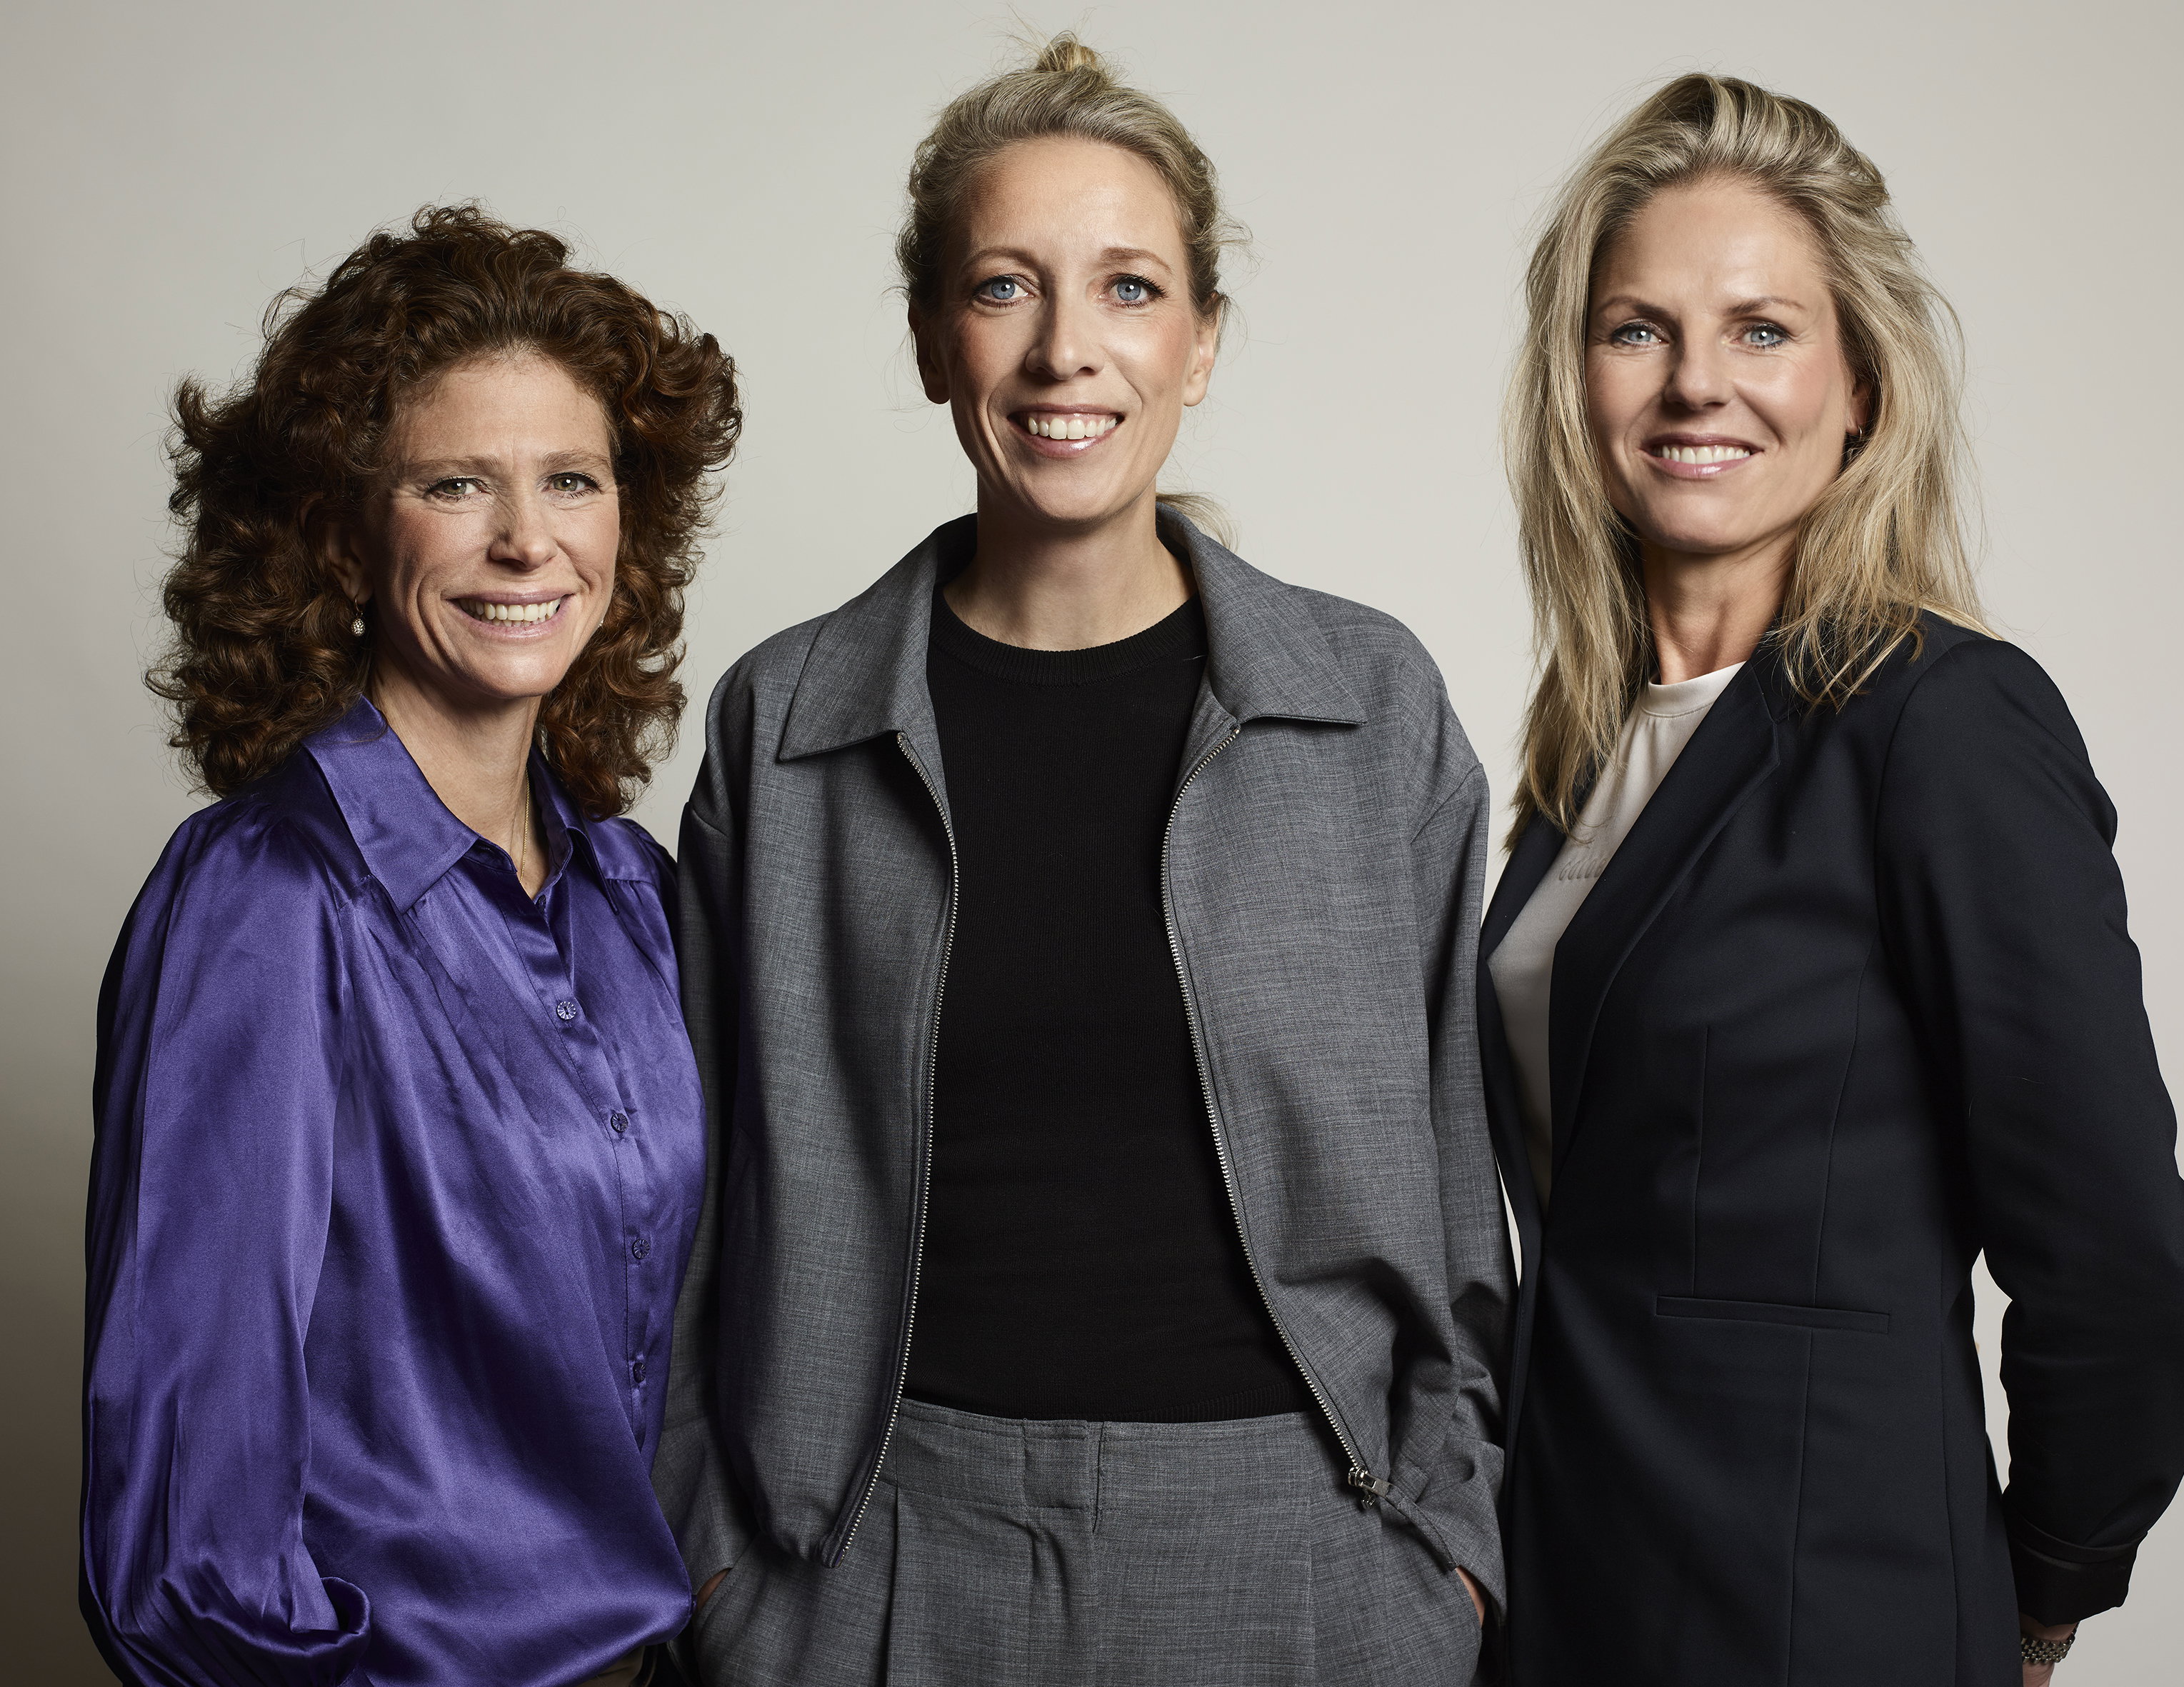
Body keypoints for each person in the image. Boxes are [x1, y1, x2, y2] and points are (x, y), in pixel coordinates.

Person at [656, 35, 1507, 1687]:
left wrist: (1449, 1551)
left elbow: (1462, 1178)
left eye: (1129, 288)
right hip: (877, 1553)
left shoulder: (1369, 706)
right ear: (931, 339)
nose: (1066, 350)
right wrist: (719, 1563)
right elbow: (693, 1200)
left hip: (1306, 1554)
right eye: (1004, 287)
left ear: (1201, 342)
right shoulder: (787, 724)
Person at [1479, 74, 2184, 1687]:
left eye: (1762, 330)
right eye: (1637, 329)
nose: (1696, 382)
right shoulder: (1585, 752)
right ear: (1577, 379)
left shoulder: (1941, 722)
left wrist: (2043, 1587)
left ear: (1861, 386)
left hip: (1819, 1612)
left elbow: (2119, 1257)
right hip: (1571, 1597)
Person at [82, 205, 740, 1687]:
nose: (527, 539)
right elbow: (187, 1525)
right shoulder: (268, 899)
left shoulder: (630, 892)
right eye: (456, 483)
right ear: (343, 531)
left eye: (571, 479)